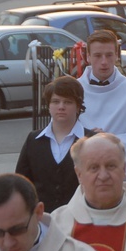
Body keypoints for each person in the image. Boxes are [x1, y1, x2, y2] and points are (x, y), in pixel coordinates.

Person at [79, 29, 126, 181]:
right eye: (97, 55)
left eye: (109, 55)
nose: (104, 62)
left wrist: (109, 141)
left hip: (121, 183)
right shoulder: (73, 91)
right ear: (87, 56)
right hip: (80, 181)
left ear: (117, 55)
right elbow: (62, 134)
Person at [15, 76, 94, 212]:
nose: (61, 107)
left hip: (82, 220)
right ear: (49, 105)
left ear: (78, 106)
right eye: (56, 102)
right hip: (42, 221)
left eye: (68, 102)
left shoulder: (92, 141)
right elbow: (21, 183)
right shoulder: (33, 140)